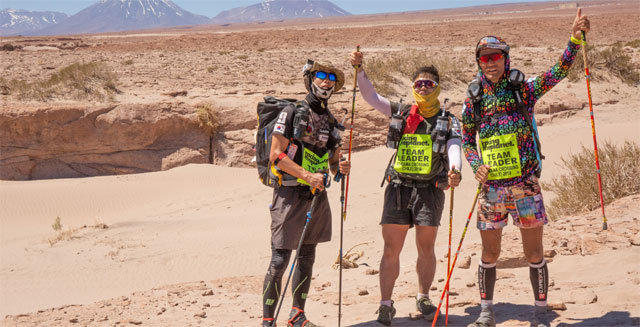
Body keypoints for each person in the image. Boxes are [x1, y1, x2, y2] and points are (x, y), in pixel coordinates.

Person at [461, 9, 590, 327]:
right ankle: (487, 311)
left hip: (525, 184)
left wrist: (574, 39)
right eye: (484, 58)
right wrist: (476, 165)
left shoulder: (523, 90)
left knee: (534, 251)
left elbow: (558, 72)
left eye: (495, 56)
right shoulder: (473, 100)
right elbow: (466, 140)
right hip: (491, 189)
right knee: (490, 251)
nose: (489, 62)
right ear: (479, 62)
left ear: (506, 58)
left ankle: (540, 310)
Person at [350, 51, 462, 325]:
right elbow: (371, 98)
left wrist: (455, 169)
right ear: (412, 87)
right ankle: (386, 304)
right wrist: (360, 70)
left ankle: (423, 296)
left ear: (438, 87)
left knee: (426, 248)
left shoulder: (448, 119)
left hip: (430, 190)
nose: (423, 87)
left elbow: (454, 146)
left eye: (429, 84)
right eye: (419, 84)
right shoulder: (401, 112)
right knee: (391, 249)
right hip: (398, 188)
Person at [261, 60, 351, 327]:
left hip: (317, 196)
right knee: (279, 259)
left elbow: (332, 162)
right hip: (288, 194)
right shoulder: (291, 112)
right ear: (311, 78)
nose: (326, 81)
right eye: (321, 75)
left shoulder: (331, 121)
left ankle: (296, 315)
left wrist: (340, 167)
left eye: (331, 78)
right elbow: (275, 155)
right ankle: (268, 321)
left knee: (307, 256)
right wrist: (306, 175)